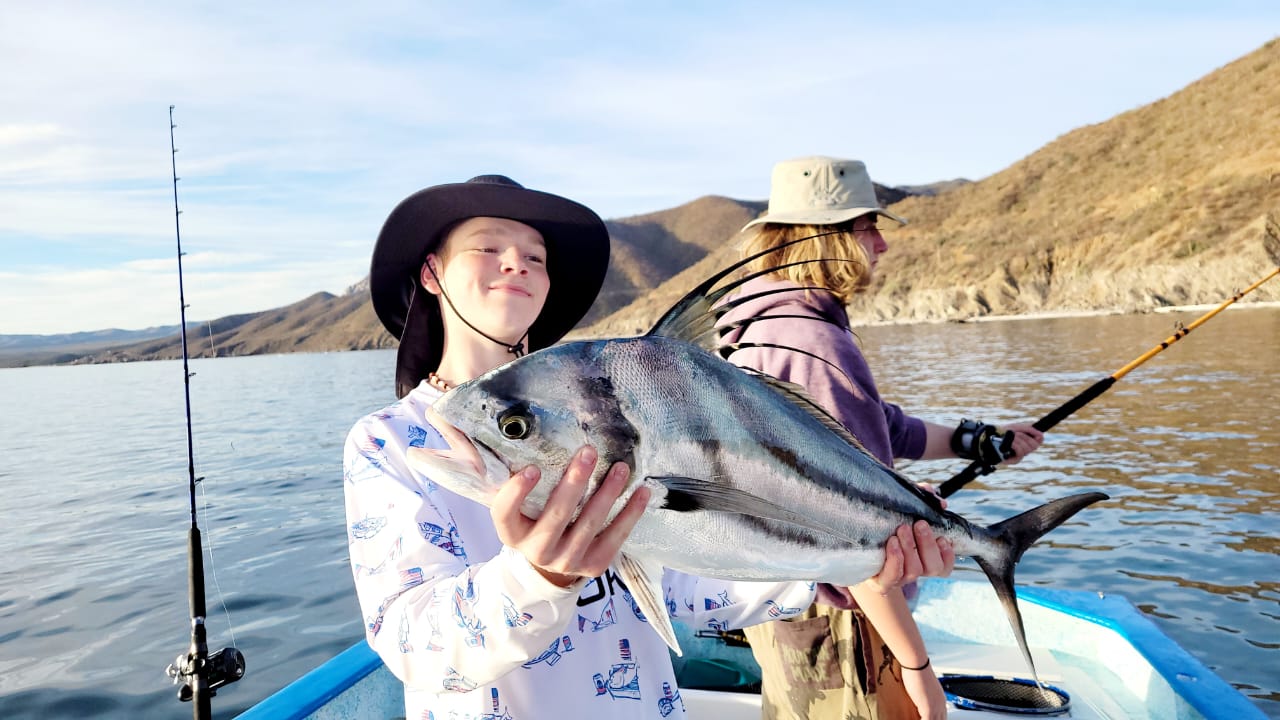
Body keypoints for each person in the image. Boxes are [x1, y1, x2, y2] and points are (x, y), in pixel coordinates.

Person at [344, 173, 956, 719]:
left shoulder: (600, 417)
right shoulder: (389, 441)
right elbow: (410, 644)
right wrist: (536, 576)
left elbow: (685, 585)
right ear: (431, 273)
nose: (518, 263)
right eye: (488, 247)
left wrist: (834, 569)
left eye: (535, 254)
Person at [721, 156, 1044, 720]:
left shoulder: (763, 327)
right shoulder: (817, 346)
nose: (881, 244)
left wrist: (979, 441)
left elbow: (883, 425)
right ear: (829, 238)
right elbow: (862, 535)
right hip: (842, 621)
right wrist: (919, 671)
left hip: (787, 607)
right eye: (868, 226)